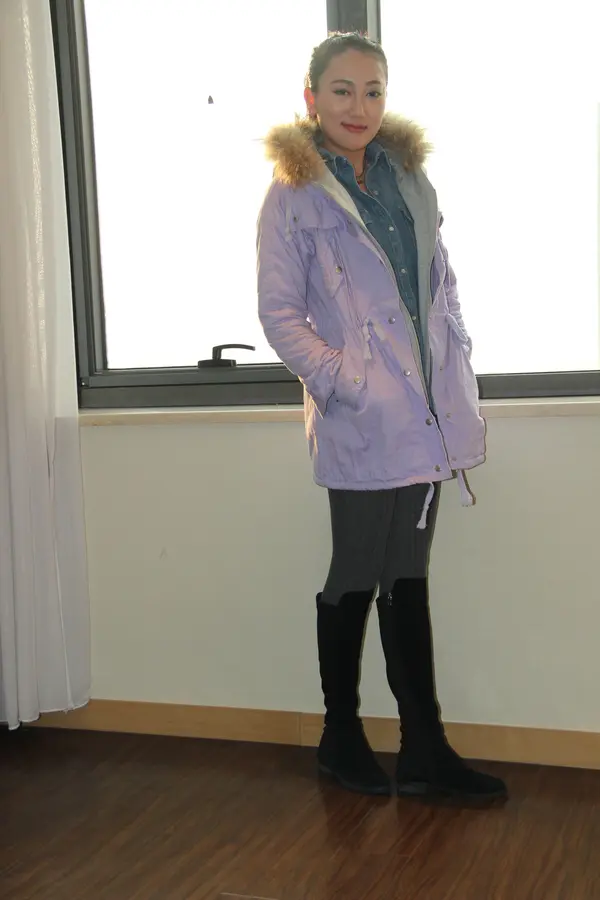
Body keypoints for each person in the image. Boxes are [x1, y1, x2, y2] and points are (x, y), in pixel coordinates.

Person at [256, 32, 507, 803]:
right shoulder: (293, 194)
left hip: (427, 411)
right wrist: (346, 381)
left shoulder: (408, 179)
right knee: (357, 572)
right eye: (342, 90)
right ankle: (340, 736)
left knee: (407, 575)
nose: (358, 106)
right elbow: (279, 313)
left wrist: (453, 353)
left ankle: (424, 748)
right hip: (363, 415)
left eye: (373, 91)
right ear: (311, 98)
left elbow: (440, 283)